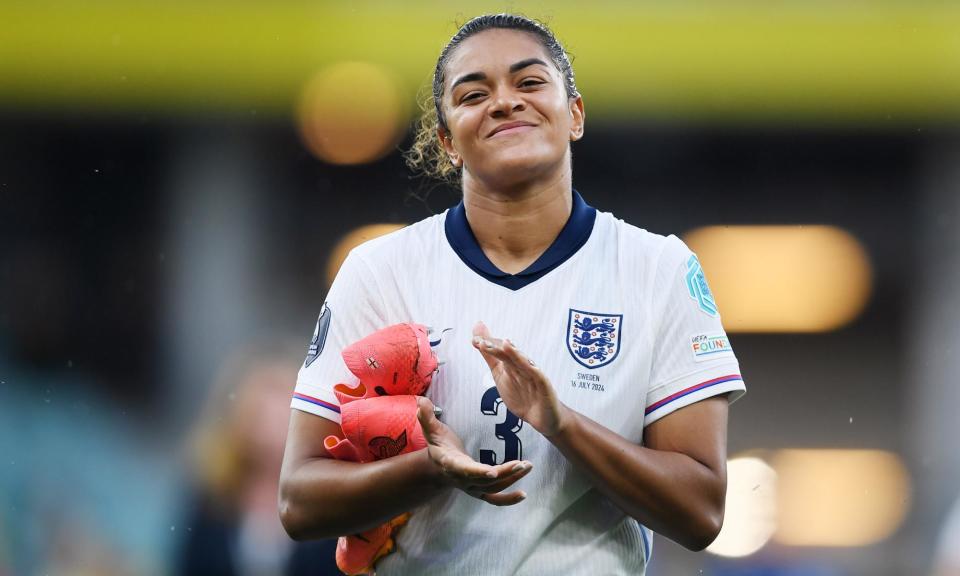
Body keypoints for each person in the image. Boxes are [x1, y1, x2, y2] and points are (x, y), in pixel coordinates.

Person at [280, 13, 745, 575]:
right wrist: (431, 469)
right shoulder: (381, 272)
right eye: (474, 93)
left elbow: (701, 511)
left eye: (529, 83)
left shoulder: (659, 269)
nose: (504, 102)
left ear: (573, 115)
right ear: (448, 141)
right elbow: (298, 500)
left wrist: (561, 423)